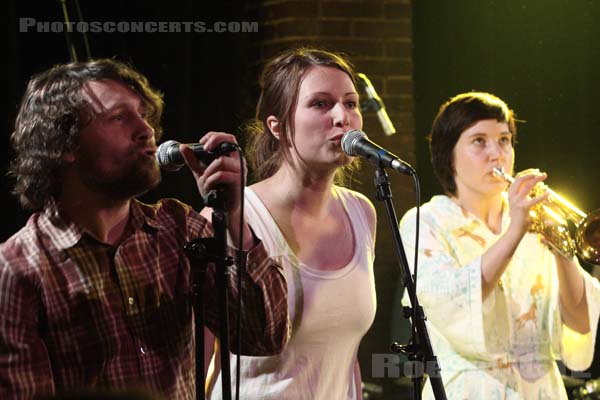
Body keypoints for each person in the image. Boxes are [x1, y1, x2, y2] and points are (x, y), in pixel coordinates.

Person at [0, 59, 289, 399]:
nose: (146, 130)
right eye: (120, 117)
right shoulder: (17, 270)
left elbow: (263, 335)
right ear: (64, 144)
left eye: (144, 115)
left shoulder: (177, 227)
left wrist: (235, 213)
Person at [399, 91, 600, 399]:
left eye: (504, 140)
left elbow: (580, 321)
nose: (497, 153)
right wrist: (514, 232)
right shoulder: (426, 221)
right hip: (468, 390)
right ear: (448, 154)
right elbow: (451, 303)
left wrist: (562, 249)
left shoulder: (531, 215)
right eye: (479, 141)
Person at [205, 48, 377, 399]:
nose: (342, 117)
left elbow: (345, 356)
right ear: (278, 126)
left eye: (351, 103)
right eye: (320, 104)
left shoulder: (362, 212)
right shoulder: (230, 215)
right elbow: (196, 357)